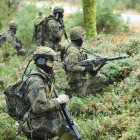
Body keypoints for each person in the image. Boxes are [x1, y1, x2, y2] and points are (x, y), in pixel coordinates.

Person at [19, 47, 76, 140]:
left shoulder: (42, 74)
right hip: (35, 122)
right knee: (70, 130)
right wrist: (58, 100)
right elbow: (39, 107)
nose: (53, 64)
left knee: (70, 125)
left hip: (38, 117)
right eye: (51, 61)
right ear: (41, 61)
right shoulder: (36, 81)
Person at [63, 26, 108, 97]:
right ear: (80, 38)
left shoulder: (77, 48)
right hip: (77, 82)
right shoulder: (73, 51)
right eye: (83, 35)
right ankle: (82, 93)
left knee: (102, 76)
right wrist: (85, 68)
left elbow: (83, 62)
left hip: (81, 77)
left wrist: (94, 63)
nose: (84, 37)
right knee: (103, 80)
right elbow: (70, 67)